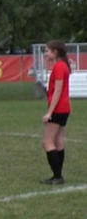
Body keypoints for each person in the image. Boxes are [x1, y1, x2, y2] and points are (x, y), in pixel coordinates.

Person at [40, 39, 72, 185]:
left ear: (55, 52)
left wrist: (49, 112)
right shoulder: (62, 65)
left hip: (59, 109)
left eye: (47, 50)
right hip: (65, 108)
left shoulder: (59, 67)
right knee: (58, 141)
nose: (45, 53)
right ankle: (58, 175)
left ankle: (57, 176)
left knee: (47, 142)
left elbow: (58, 90)